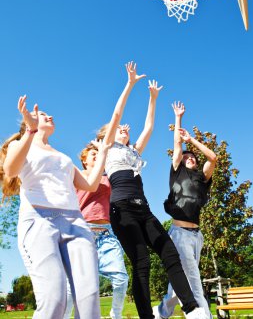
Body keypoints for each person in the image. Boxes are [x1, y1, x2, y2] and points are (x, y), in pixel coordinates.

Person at [0, 62, 136, 319]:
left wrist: (104, 153)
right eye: (43, 115)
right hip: (39, 221)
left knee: (88, 299)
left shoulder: (63, 157)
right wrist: (29, 132)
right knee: (55, 301)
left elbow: (90, 185)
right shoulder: (24, 144)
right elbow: (10, 170)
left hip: (75, 222)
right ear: (29, 123)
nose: (49, 116)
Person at [97, 76, 208, 319]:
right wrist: (129, 84)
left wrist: (153, 98)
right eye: (119, 129)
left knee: (169, 253)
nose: (125, 128)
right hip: (122, 209)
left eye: (126, 128)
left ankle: (192, 308)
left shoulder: (132, 152)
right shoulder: (108, 149)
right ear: (109, 134)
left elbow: (148, 127)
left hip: (143, 210)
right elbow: (116, 115)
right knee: (142, 263)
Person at [153, 102, 216, 319]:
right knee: (194, 280)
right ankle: (202, 315)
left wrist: (193, 141)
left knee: (180, 282)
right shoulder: (177, 172)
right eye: (187, 157)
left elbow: (213, 158)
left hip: (196, 236)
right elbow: (177, 144)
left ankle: (161, 311)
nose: (189, 158)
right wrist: (178, 119)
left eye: (193, 158)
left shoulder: (202, 178)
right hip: (179, 233)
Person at [64, 142, 128, 319]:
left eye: (97, 154)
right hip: (83, 232)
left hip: (107, 234)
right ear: (84, 160)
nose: (96, 155)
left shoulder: (108, 178)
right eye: (92, 154)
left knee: (121, 279)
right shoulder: (78, 175)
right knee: (73, 285)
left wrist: (107, 148)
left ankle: (116, 314)